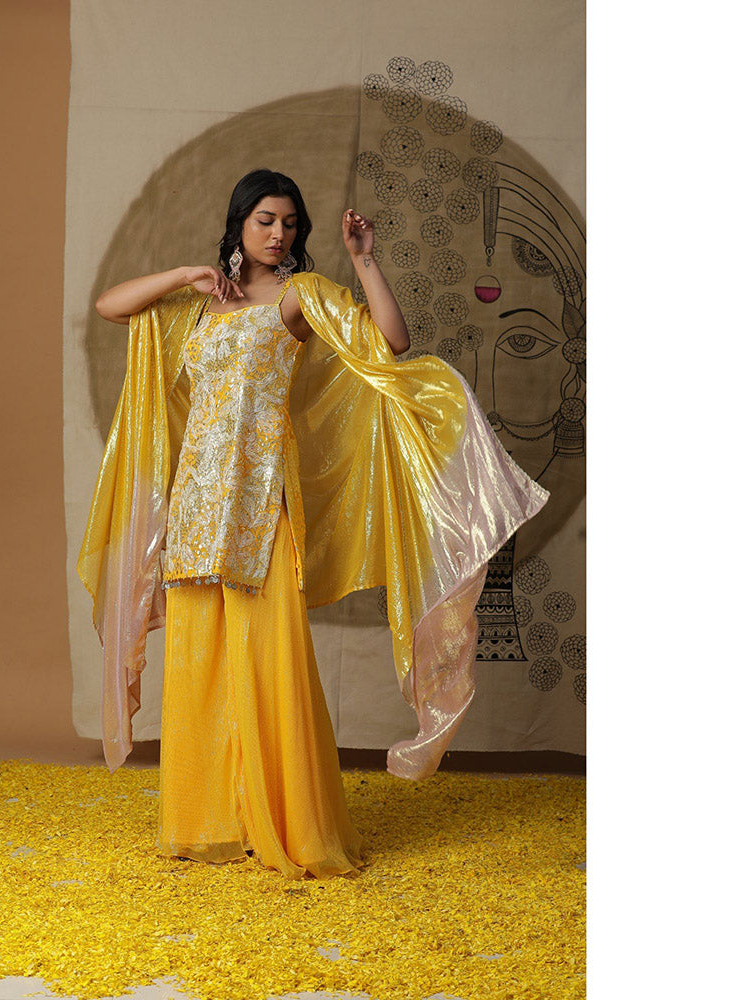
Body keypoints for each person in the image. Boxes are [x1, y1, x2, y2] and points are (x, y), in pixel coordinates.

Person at [78, 169, 548, 881]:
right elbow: (111, 307)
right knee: (201, 664)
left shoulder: (299, 296)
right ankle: (210, 821)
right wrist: (185, 274)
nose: (279, 234)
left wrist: (364, 260)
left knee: (270, 660)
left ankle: (292, 824)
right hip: (198, 505)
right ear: (239, 223)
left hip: (263, 502)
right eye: (265, 220)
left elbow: (391, 340)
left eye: (290, 223)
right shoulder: (200, 305)